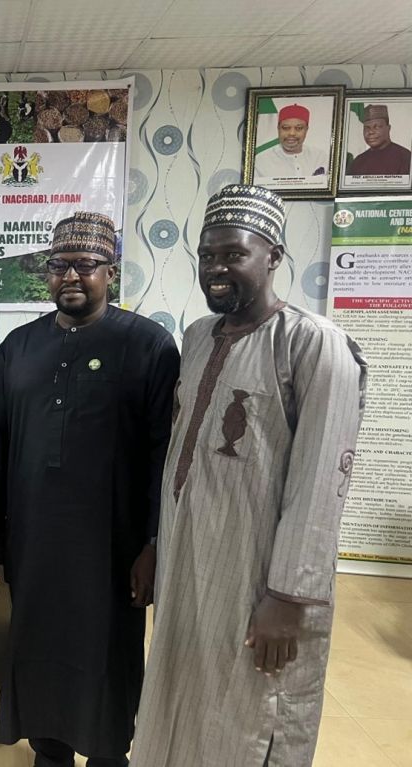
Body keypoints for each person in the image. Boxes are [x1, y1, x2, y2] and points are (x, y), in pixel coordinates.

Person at [131, 184, 369, 767]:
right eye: (207, 255)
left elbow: (320, 482)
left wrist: (288, 597)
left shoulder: (314, 345)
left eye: (233, 254)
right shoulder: (196, 338)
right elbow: (181, 461)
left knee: (252, 709)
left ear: (273, 258)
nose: (216, 268)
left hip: (260, 575)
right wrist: (159, 544)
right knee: (182, 696)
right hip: (191, 566)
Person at [0, 212, 181, 767]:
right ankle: (49, 749)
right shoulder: (18, 347)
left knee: (108, 654)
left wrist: (155, 543)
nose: (71, 276)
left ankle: (109, 752)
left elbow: (165, 454)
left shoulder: (149, 346)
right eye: (59, 264)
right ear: (46, 272)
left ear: (110, 271)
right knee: (38, 648)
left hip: (113, 547)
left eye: (85, 265)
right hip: (35, 543)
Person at [253, 104, 329, 181]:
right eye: (285, 128)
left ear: (306, 129)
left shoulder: (320, 157)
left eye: (299, 128)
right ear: (278, 129)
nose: (292, 133)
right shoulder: (260, 162)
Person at [347, 104, 412, 176]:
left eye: (377, 127)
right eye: (367, 128)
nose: (371, 132)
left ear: (388, 128)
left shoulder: (405, 157)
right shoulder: (358, 162)